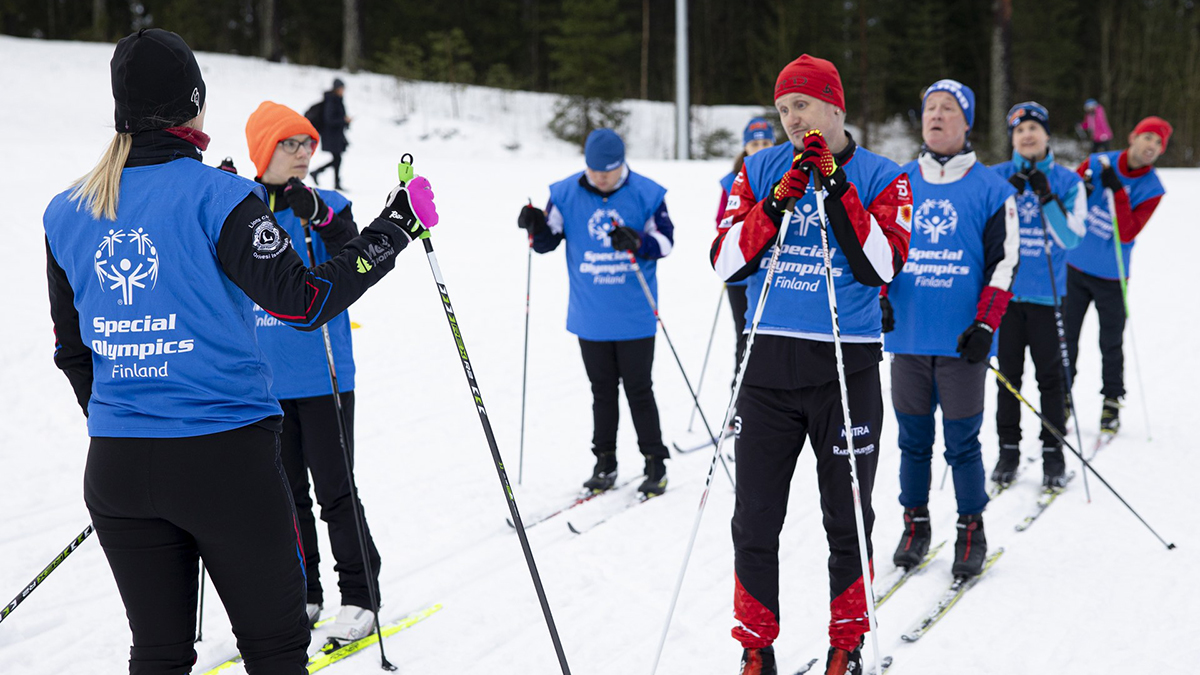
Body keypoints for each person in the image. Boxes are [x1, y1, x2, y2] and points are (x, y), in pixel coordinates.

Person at [43, 29, 437, 675]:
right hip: (224, 462)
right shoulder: (220, 196)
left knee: (160, 653)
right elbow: (303, 300)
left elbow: (71, 349)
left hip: (117, 467)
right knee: (277, 651)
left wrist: (127, 418)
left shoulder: (68, 209)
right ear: (194, 104)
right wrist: (392, 231)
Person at [711, 54, 912, 675]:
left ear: (834, 107)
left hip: (843, 373)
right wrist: (773, 204)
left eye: (802, 105)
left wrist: (836, 186)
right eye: (783, 110)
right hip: (766, 371)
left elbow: (879, 266)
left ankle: (846, 644)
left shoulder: (885, 176)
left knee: (847, 518)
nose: (792, 120)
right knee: (755, 519)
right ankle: (755, 646)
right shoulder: (756, 169)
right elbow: (723, 261)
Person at [244, 101, 384, 640]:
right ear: (264, 150)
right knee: (285, 496)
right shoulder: (240, 209)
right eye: (289, 144)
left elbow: (353, 253)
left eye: (308, 144)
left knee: (335, 490)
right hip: (265, 380)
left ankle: (360, 594)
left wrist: (318, 215)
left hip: (324, 376)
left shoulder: (328, 204)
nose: (304, 153)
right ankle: (306, 591)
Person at [882, 79, 1018, 580]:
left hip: (964, 343)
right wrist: (880, 302)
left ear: (967, 122)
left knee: (962, 443)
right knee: (912, 442)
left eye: (947, 109)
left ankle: (970, 528)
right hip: (910, 339)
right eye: (929, 108)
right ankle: (915, 523)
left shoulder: (992, 189)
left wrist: (985, 323)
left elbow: (1004, 265)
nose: (935, 116)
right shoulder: (896, 182)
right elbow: (878, 255)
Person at [517, 128, 675, 497]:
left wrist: (638, 240)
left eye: (610, 170)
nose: (602, 177)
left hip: (635, 314)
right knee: (601, 391)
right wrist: (535, 224)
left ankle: (655, 462)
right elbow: (545, 242)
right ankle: (604, 462)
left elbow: (666, 241)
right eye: (594, 170)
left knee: (639, 389)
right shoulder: (565, 193)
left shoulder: (648, 193)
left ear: (623, 165)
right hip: (590, 315)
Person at [989, 102, 1087, 488]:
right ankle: (1008, 451)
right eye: (1019, 130)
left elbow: (1072, 239)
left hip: (1048, 298)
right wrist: (1005, 198)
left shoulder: (1067, 181)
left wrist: (1047, 199)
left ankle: (1052, 451)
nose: (1027, 135)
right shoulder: (997, 177)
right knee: (1007, 378)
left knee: (1051, 378)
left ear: (1047, 135)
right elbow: (983, 233)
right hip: (1006, 298)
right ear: (1012, 138)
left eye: (1033, 128)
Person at [1064, 116, 1170, 436]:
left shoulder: (1153, 189)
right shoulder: (1099, 162)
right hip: (1074, 266)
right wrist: (1079, 188)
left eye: (1159, 142)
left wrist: (1119, 193)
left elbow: (1127, 232)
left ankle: (1111, 401)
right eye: (1148, 137)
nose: (1151, 145)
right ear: (1133, 136)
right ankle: (1062, 398)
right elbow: (1066, 195)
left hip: (1112, 276)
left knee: (1110, 342)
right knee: (1066, 338)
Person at [717, 117, 776, 387]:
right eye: (755, 143)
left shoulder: (785, 174)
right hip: (741, 275)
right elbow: (722, 222)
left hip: (775, 271)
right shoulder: (732, 181)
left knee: (772, 337)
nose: (761, 148)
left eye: (766, 142)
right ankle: (739, 393)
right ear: (745, 148)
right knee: (745, 334)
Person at [311, 78, 351, 190]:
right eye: (342, 88)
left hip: (337, 135)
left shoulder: (337, 100)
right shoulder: (331, 101)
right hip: (331, 136)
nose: (343, 90)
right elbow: (329, 119)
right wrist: (343, 121)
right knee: (337, 159)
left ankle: (329, 178)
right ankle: (318, 172)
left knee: (337, 159)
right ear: (337, 88)